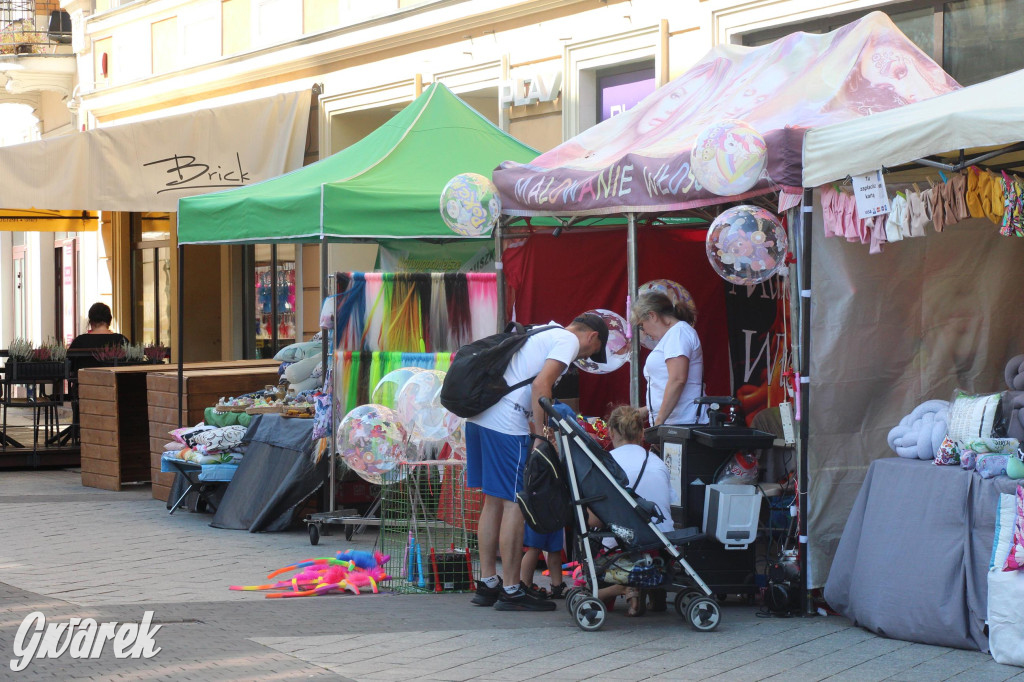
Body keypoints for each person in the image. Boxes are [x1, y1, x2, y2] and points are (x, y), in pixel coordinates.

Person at [467, 314, 609, 612]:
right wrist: (541, 434)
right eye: (589, 354)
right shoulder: (568, 340)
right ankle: (511, 588)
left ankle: (488, 583)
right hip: (506, 424)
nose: (583, 360)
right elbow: (541, 387)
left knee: (492, 502)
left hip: (480, 417)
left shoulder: (540, 330)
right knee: (515, 503)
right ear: (592, 337)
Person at [587, 405, 674, 616]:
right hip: (660, 542)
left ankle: (621, 588)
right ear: (642, 433)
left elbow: (594, 522)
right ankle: (651, 592)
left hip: (622, 545)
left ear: (611, 432)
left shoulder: (606, 464)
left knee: (596, 537)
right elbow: (669, 504)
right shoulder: (658, 463)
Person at [630, 291, 705, 427]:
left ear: (652, 316)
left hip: (684, 423)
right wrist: (648, 409)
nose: (644, 331)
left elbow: (677, 380)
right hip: (676, 423)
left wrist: (659, 423)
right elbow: (667, 384)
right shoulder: (673, 335)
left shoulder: (678, 333)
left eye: (642, 325)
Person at [520, 527, 565, 600]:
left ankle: (558, 586)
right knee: (534, 548)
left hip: (556, 518)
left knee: (555, 548)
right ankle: (526, 586)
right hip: (537, 518)